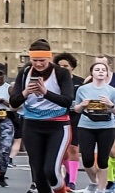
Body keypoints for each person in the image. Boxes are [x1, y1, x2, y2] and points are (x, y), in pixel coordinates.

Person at [10, 40, 75, 193]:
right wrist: (26, 92)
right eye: (35, 60)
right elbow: (13, 102)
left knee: (50, 171)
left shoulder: (61, 73)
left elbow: (67, 101)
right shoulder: (25, 72)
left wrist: (45, 92)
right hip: (32, 126)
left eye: (42, 61)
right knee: (38, 174)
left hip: (58, 126)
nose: (38, 64)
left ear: (49, 58)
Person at [72, 61, 115, 193]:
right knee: (87, 159)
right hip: (86, 126)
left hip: (106, 126)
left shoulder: (112, 91)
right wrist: (83, 105)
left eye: (103, 69)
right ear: (92, 73)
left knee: (103, 160)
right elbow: (76, 109)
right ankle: (93, 182)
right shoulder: (82, 89)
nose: (101, 71)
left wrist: (110, 105)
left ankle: (101, 189)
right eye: (97, 69)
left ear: (107, 73)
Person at [58, 53, 86, 191]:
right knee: (62, 151)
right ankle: (67, 174)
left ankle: (72, 180)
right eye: (60, 66)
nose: (63, 68)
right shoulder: (54, 82)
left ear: (72, 67)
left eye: (66, 66)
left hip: (75, 118)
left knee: (73, 148)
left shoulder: (80, 82)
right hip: (58, 117)